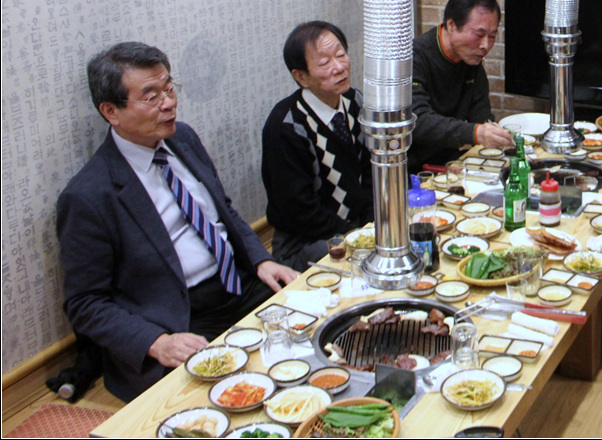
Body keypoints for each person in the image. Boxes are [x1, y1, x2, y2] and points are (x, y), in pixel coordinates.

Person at [56, 42, 297, 402]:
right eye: (151, 96)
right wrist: (156, 342)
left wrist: (261, 260)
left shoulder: (182, 137)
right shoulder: (89, 195)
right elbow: (85, 303)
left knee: (314, 327)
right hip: (178, 319)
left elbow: (222, 210)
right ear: (111, 111)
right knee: (241, 395)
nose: (168, 103)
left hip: (239, 284)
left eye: (169, 88)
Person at [261, 21, 374, 271]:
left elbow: (369, 170)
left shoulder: (354, 101)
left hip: (357, 229)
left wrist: (372, 226)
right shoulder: (287, 126)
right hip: (306, 242)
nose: (339, 67)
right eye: (324, 63)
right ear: (301, 76)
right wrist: (356, 237)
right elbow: (299, 211)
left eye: (341, 54)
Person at [409, 0, 512, 169]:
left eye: (492, 36)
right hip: (412, 166)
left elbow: (481, 117)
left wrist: (494, 134)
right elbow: (418, 120)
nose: (485, 45)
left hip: (450, 161)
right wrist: (476, 133)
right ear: (451, 25)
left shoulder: (471, 61)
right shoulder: (415, 57)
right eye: (479, 35)